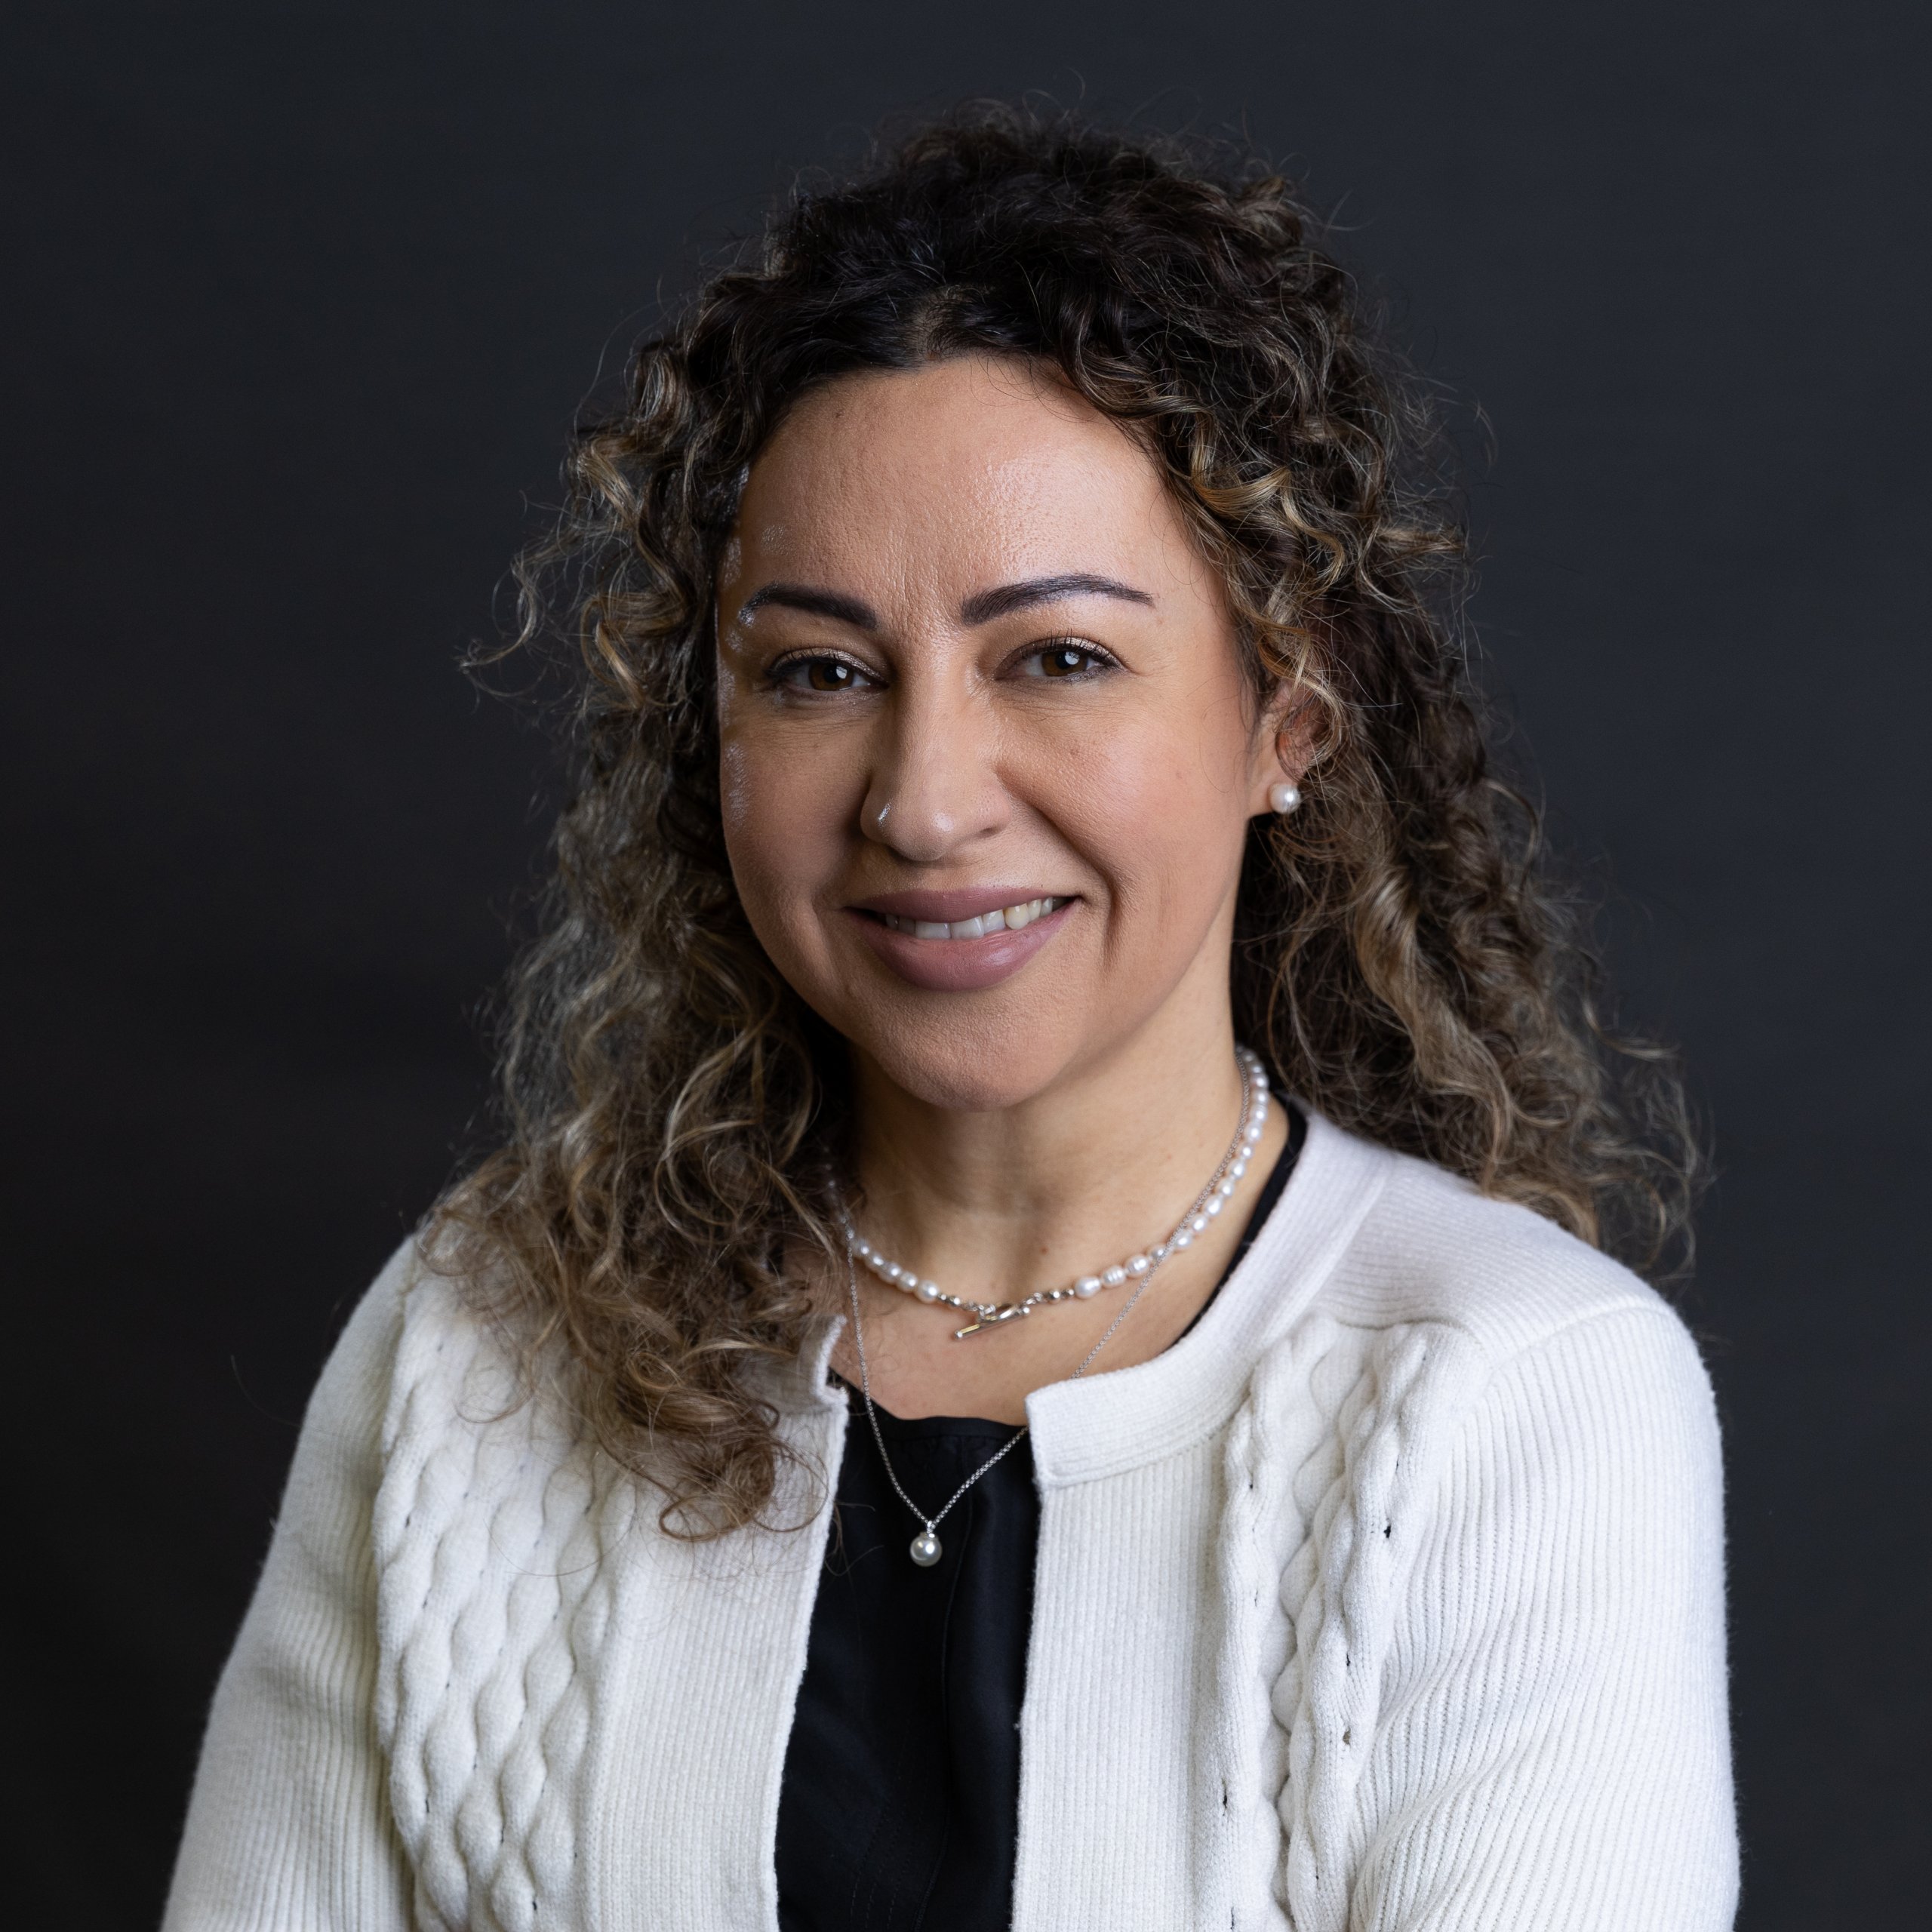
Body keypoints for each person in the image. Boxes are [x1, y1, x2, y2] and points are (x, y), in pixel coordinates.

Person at [163, 106, 1737, 1930]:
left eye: (1055, 657)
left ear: (1285, 711)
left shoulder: (1512, 1398)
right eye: (819, 671)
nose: (922, 799)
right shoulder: (476, 1338)